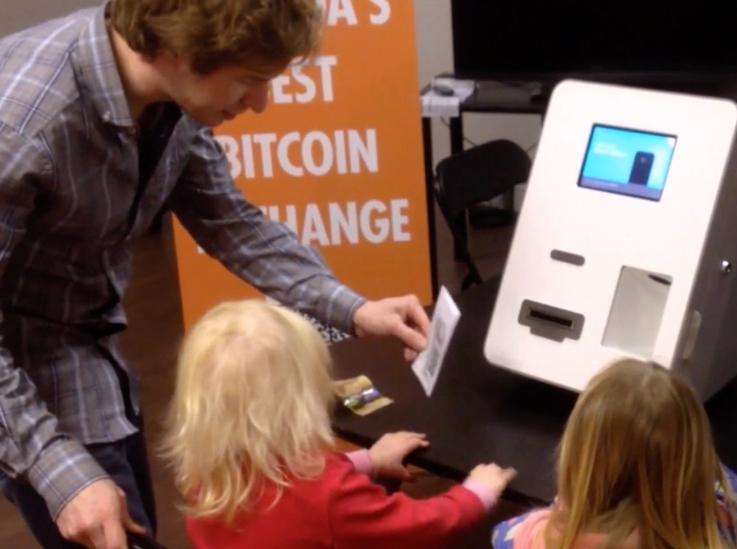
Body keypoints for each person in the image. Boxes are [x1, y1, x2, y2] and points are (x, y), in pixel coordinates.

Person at [0, 1, 429, 547]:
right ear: (180, 50)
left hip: (80, 340)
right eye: (249, 81)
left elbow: (231, 222)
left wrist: (355, 308)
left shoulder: (167, 100)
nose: (260, 104)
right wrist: (57, 470)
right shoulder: (20, 126)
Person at [163, 299, 516, 548]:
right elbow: (418, 527)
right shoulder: (329, 497)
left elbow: (284, 483)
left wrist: (368, 461)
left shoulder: (206, 474)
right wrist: (475, 496)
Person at [491, 359, 737, 549]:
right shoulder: (727, 517)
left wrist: (573, 502)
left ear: (576, 454)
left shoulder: (521, 538)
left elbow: (504, 534)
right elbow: (721, 481)